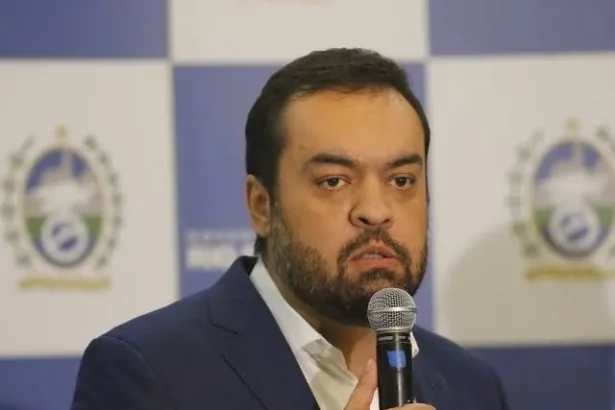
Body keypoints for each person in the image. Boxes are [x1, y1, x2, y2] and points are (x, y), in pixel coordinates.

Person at [70, 48, 510, 410]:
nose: (376, 211)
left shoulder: (471, 386)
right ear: (261, 206)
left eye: (401, 181)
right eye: (334, 181)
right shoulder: (147, 373)